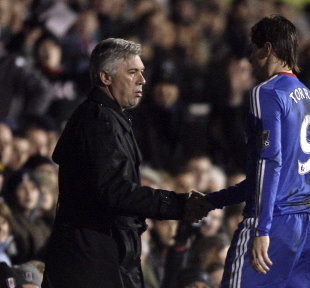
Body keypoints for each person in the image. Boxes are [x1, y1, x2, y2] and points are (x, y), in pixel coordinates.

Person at [41, 38, 210, 288]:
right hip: (91, 263)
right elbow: (115, 191)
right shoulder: (100, 121)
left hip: (102, 254)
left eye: (142, 72)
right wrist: (177, 204)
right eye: (132, 72)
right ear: (106, 77)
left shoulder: (110, 117)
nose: (142, 80)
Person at [188, 15, 310, 287]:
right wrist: (214, 200)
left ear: (267, 49)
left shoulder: (267, 92)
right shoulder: (307, 97)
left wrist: (263, 228)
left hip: (274, 220)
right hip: (307, 223)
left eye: (252, 48)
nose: (249, 58)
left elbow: (269, 163)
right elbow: (272, 177)